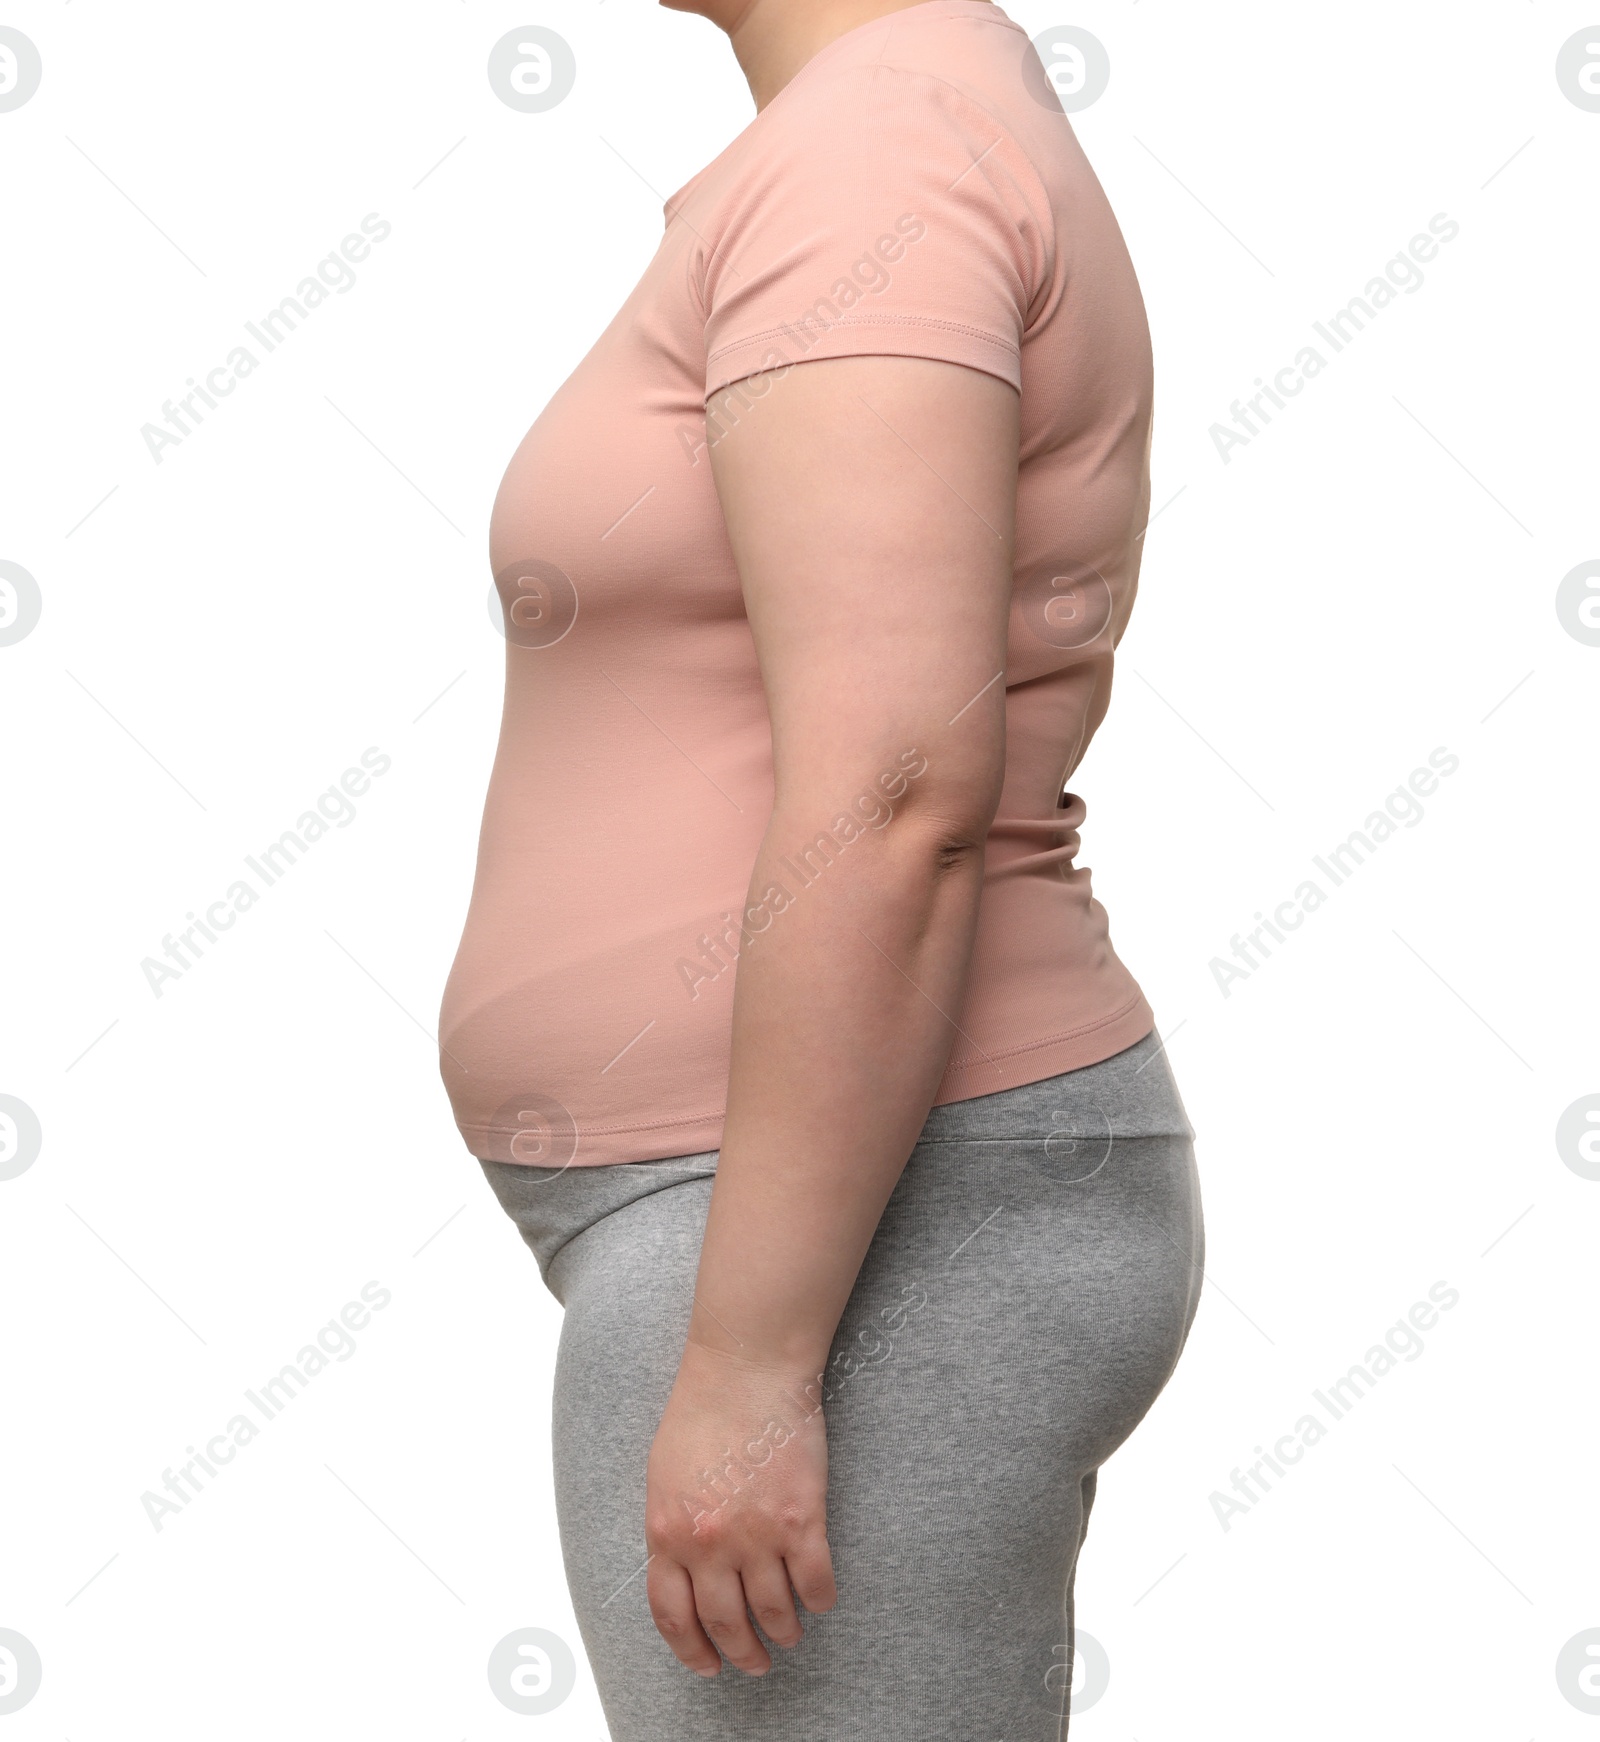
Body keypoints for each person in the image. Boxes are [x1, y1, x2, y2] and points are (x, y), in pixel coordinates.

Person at [438, 0, 1204, 1733]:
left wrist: (753, 1366)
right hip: (808, 1215)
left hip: (854, 1235)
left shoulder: (881, 160)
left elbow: (897, 792)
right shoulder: (887, 129)